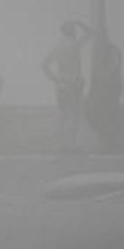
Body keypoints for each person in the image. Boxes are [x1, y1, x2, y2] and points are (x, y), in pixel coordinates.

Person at [42, 19, 92, 153]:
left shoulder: (57, 47)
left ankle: (62, 145)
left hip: (62, 84)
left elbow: (44, 66)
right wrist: (79, 22)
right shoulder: (75, 45)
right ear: (73, 32)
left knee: (63, 115)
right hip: (74, 83)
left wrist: (56, 80)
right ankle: (72, 145)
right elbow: (90, 33)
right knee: (74, 114)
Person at [85, 28, 123, 153]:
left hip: (110, 89)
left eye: (100, 35)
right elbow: (95, 70)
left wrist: (105, 77)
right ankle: (105, 142)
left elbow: (115, 65)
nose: (99, 38)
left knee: (109, 116)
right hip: (101, 90)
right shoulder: (98, 50)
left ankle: (110, 143)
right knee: (100, 116)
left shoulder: (112, 49)